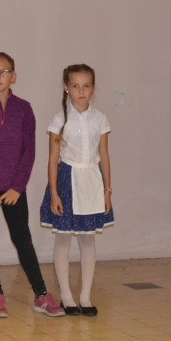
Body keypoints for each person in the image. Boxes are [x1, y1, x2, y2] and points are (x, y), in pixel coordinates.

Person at [0, 52, 65, 318]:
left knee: (23, 239)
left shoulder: (24, 109)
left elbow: (28, 151)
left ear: (14, 77)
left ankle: (41, 294)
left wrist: (17, 187)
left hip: (13, 189)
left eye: (4, 71)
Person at [39, 64, 113, 317]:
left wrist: (107, 190)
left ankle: (85, 296)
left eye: (86, 86)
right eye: (75, 86)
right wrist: (54, 193)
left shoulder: (100, 119)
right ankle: (67, 296)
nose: (81, 91)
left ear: (93, 88)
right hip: (67, 180)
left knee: (88, 238)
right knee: (63, 238)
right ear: (66, 88)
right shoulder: (59, 120)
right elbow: (52, 159)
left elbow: (104, 156)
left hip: (91, 180)